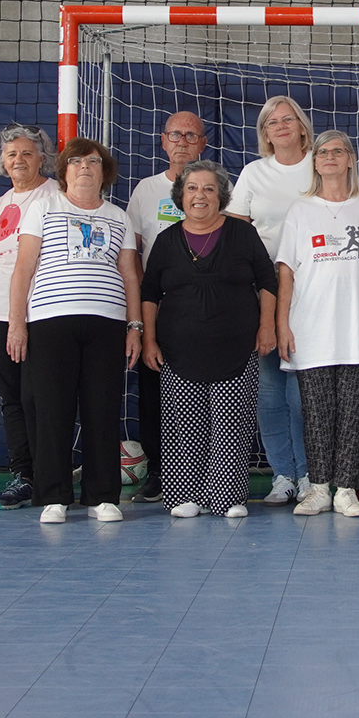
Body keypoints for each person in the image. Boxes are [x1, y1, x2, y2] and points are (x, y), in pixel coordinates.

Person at [6, 137, 142, 525]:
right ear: (64, 170)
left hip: (107, 323)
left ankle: (102, 496)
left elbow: (130, 275)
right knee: (52, 410)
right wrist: (18, 323)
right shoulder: (44, 208)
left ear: (105, 172)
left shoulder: (119, 217)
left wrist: (134, 327)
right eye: (77, 161)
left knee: (102, 408)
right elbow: (23, 269)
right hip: (51, 321)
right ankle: (53, 495)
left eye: (94, 162)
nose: (85, 167)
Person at [141, 161, 279, 519]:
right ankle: (185, 495)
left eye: (208, 189)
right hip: (178, 349)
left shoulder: (242, 234)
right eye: (191, 188)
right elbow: (150, 293)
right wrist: (149, 340)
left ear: (221, 196)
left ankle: (228, 498)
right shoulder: (166, 240)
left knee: (231, 425)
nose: (199, 195)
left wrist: (267, 327)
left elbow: (268, 281)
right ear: (180, 196)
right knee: (184, 426)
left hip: (237, 347)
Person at [276, 131, 359, 518]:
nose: (329, 157)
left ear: (350, 160)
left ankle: (346, 490)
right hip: (311, 328)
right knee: (315, 413)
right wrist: (282, 324)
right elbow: (286, 274)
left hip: (358, 327)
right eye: (322, 152)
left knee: (351, 412)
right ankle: (318, 489)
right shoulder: (300, 210)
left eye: (338, 151)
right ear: (314, 162)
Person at [228, 95, 314, 505]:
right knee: (269, 392)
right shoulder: (252, 173)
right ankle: (283, 475)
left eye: (287, 119)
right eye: (270, 122)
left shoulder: (321, 163)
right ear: (264, 134)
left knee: (302, 392)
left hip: (313, 293)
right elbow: (237, 236)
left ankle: (311, 474)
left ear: (301, 126)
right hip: (263, 293)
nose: (279, 126)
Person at [126, 110, 210, 503]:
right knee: (154, 389)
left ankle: (211, 472)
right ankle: (160, 472)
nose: (182, 141)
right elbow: (133, 255)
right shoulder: (145, 190)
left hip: (206, 311)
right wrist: (145, 312)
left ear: (203, 143)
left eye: (191, 135)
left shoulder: (216, 187)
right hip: (158, 309)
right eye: (175, 134)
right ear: (162, 141)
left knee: (209, 390)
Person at [0, 124, 59, 510]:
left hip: (41, 313)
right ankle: (23, 473)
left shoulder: (56, 196)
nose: (19, 160)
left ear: (42, 157)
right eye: (12, 155)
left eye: (27, 153)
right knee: (11, 397)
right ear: (1, 162)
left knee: (38, 396)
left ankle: (49, 474)